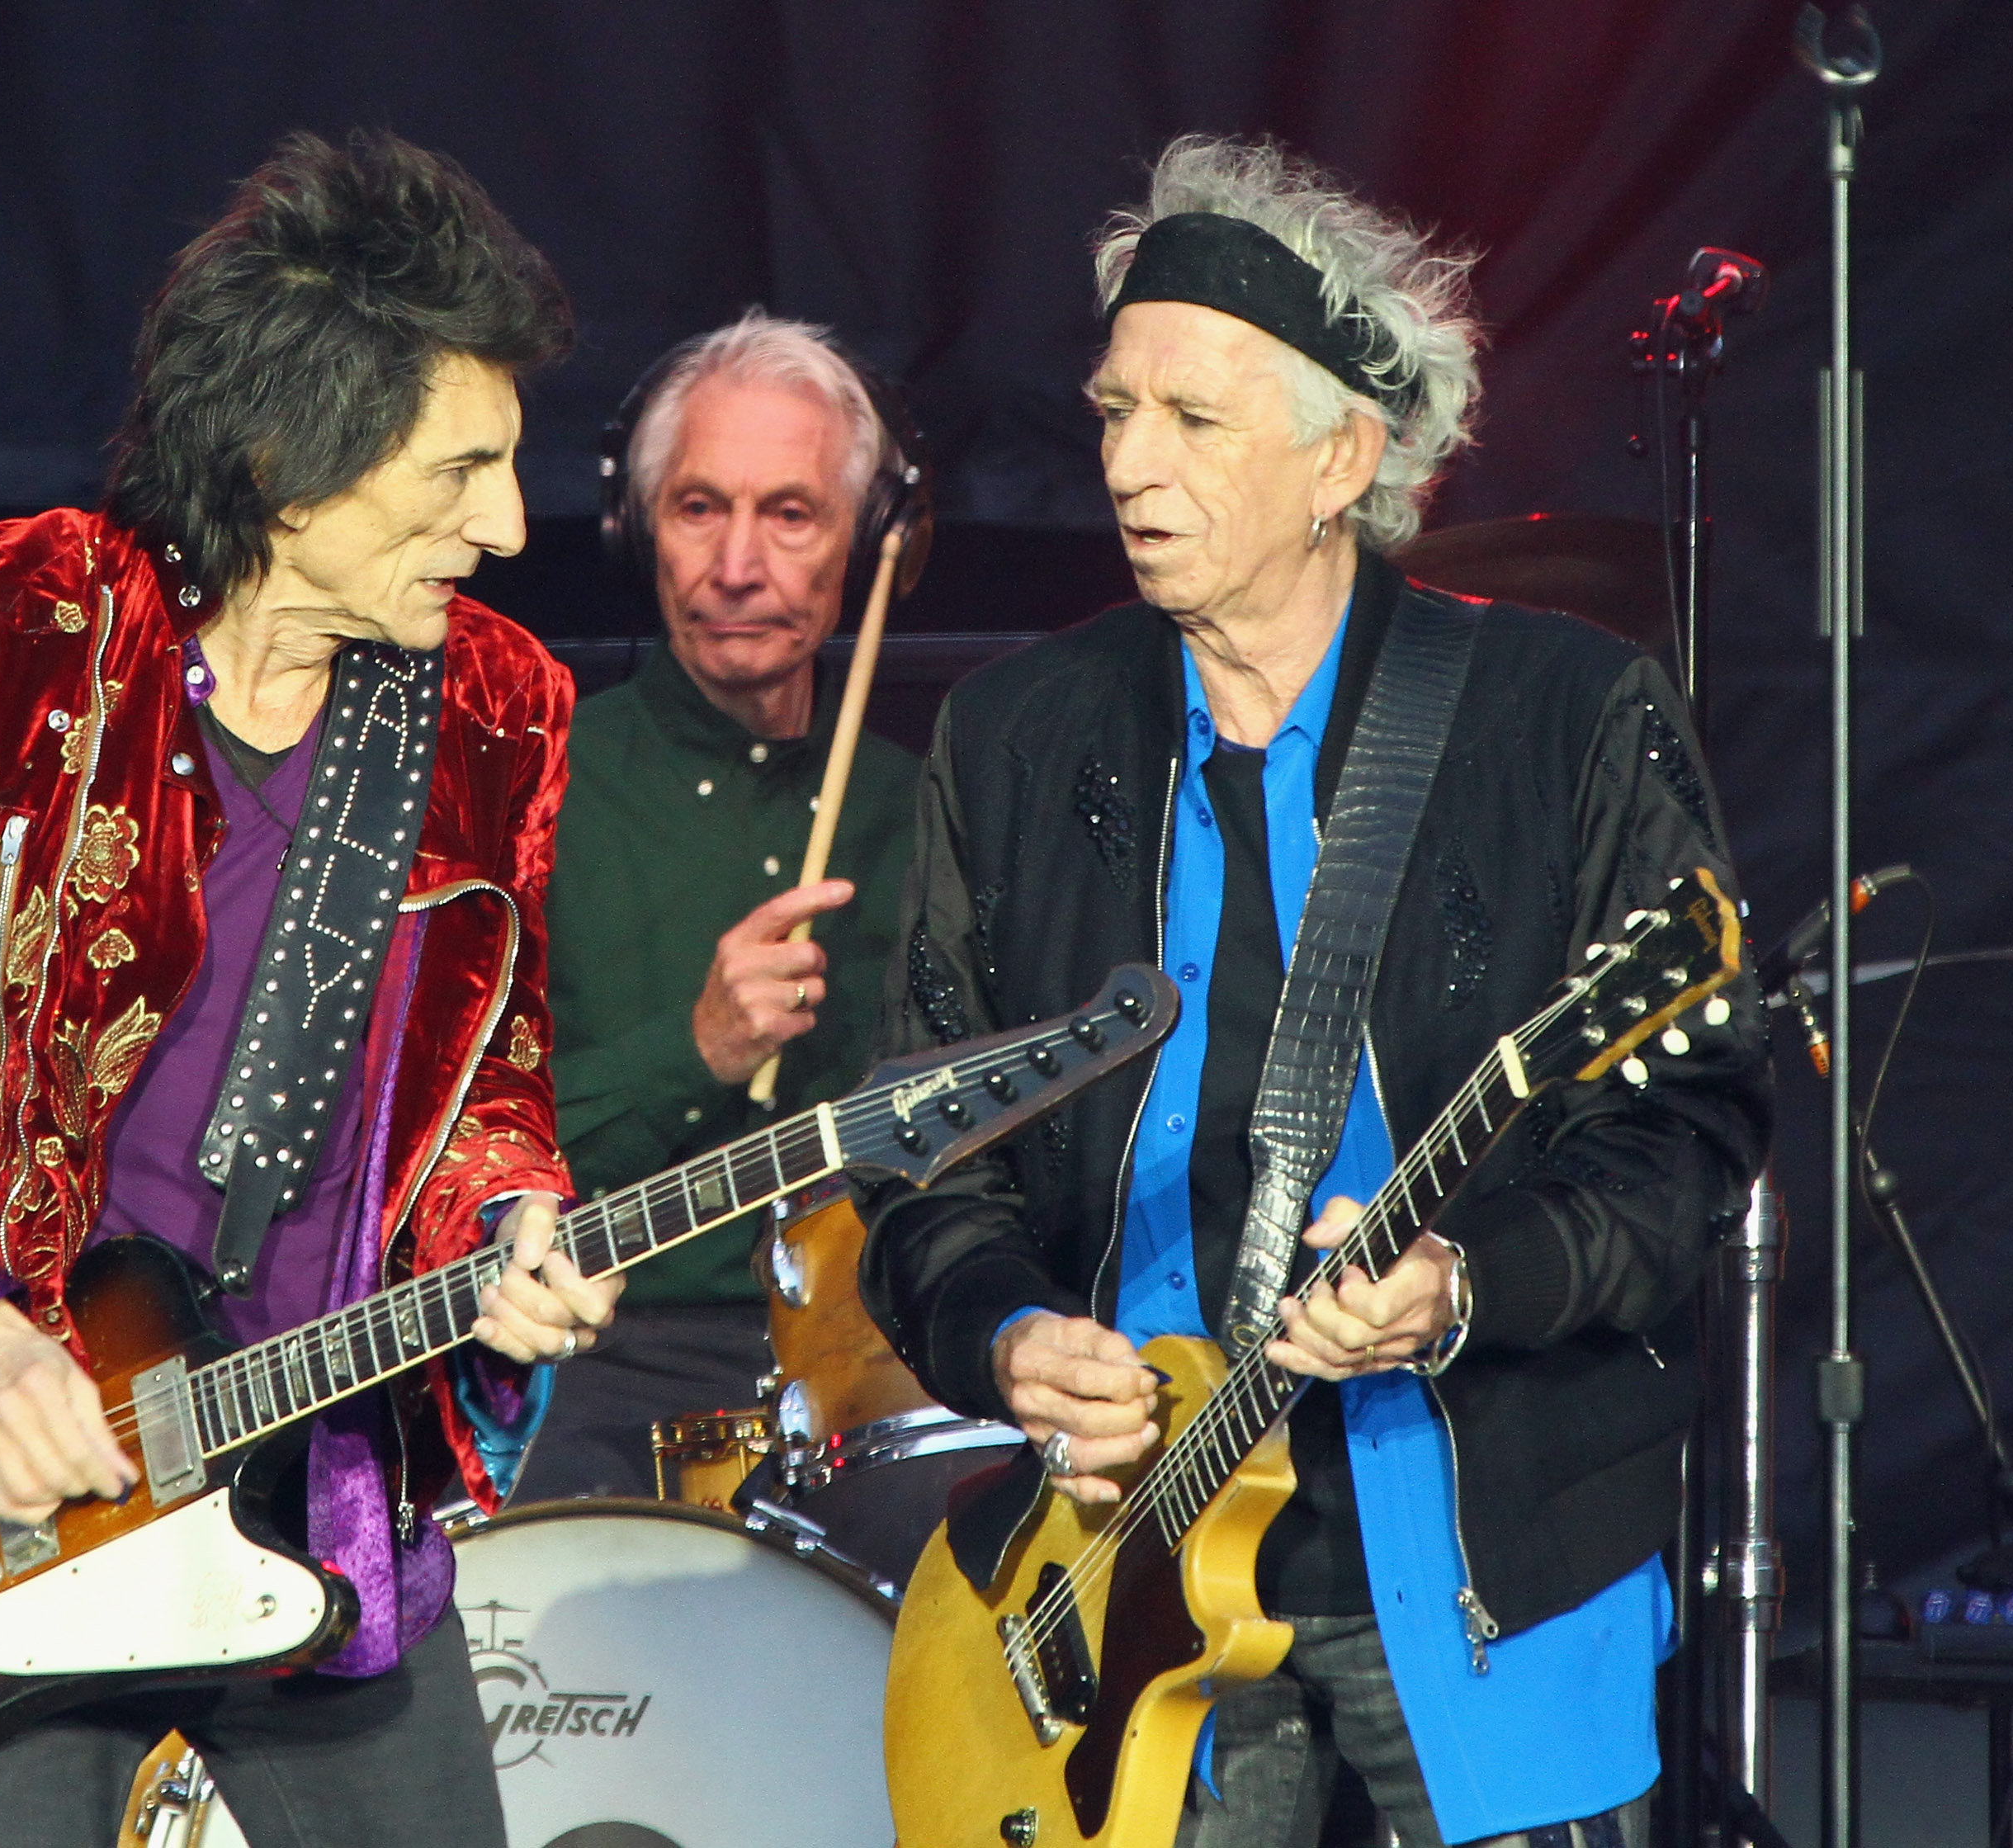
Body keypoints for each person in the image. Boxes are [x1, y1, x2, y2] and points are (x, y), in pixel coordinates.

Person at [858, 136, 1770, 1848]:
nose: (1128, 461)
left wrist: (1460, 1281)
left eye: (1192, 420)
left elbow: (1684, 1144)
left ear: (1343, 456)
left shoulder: (1564, 715)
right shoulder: (1015, 737)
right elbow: (924, 1155)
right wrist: (1009, 1337)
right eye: (1115, 409)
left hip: (1481, 1555)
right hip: (1129, 1572)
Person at [0, 130, 620, 1848]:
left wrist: (514, 1221)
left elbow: (488, 1081)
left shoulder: (496, 707)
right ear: (292, 465)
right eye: (461, 470)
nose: (510, 526)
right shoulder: (4, 620)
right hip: (4, 1509)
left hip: (313, 1491)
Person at [511, 312, 921, 1501]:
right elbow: (441, 1178)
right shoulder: (528, 789)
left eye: (790, 515)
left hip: (877, 1369)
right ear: (637, 527)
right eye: (699, 508)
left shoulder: (932, 806)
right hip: (594, 1366)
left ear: (869, 541)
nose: (737, 566)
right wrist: (696, 1049)